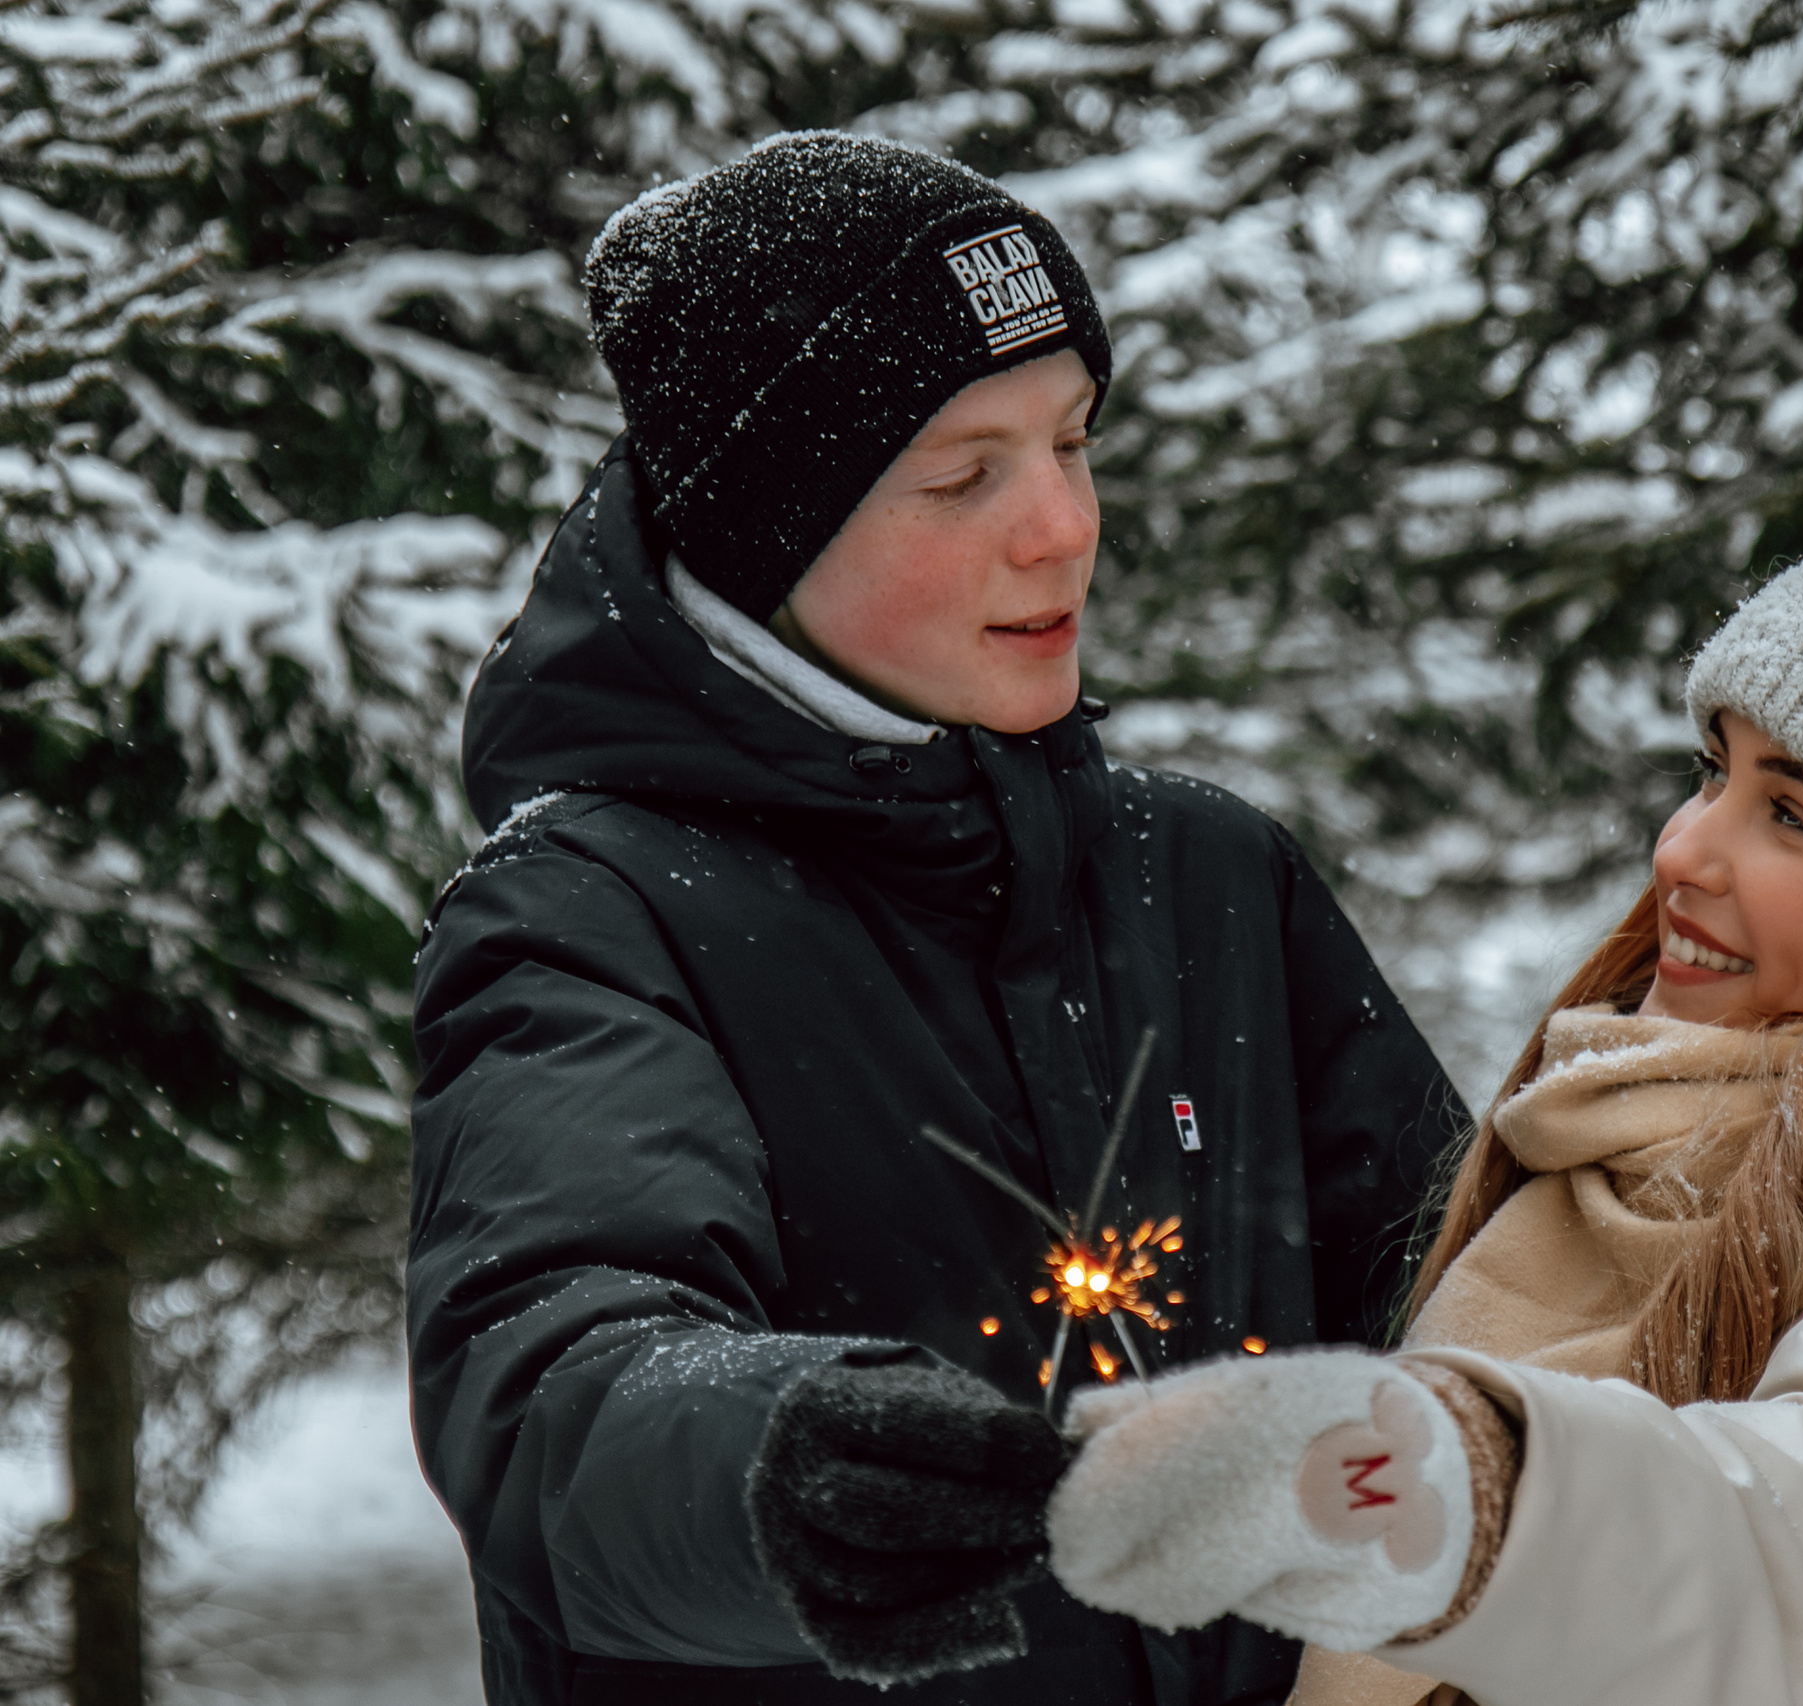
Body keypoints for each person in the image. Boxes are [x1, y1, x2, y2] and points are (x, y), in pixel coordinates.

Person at [405, 132, 1460, 1706]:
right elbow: (549, 1366)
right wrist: (775, 1460)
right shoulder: (596, 907)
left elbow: (1486, 1307)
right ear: (768, 538)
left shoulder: (1215, 875)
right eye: (963, 474)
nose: (1061, 526)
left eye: (1075, 443)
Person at [1045, 505, 1803, 1706]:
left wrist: (1451, 1493)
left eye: (1791, 815)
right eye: (1713, 772)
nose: (1683, 850)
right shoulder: (1602, 1149)